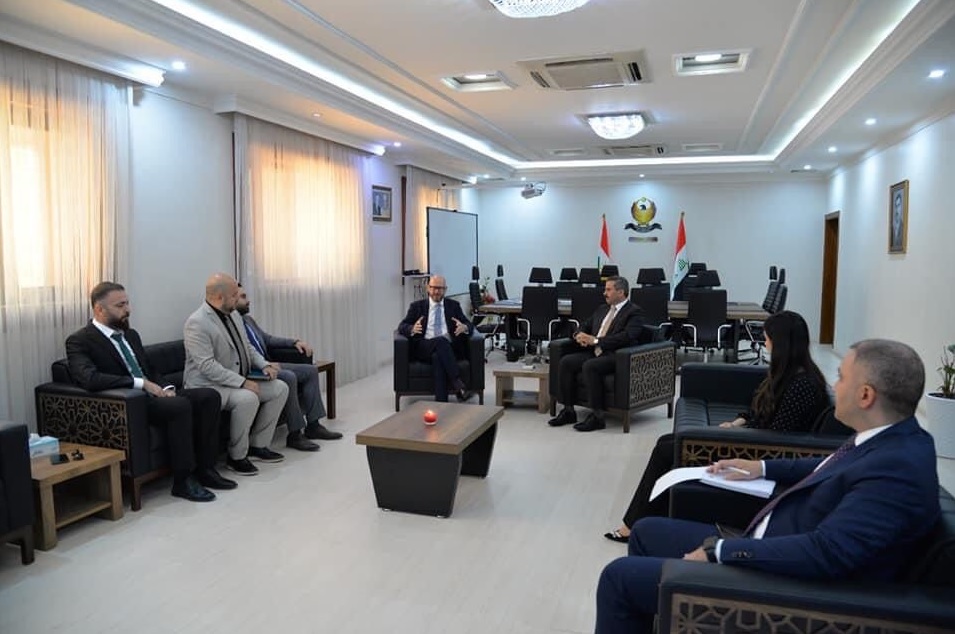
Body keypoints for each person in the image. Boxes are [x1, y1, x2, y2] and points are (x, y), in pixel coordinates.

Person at [594, 339, 940, 634]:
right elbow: (826, 467)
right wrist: (759, 466)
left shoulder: (897, 470)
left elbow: (827, 553)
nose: (835, 386)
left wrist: (720, 552)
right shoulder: (890, 439)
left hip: (784, 584)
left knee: (619, 578)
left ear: (865, 395)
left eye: (841, 377)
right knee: (646, 531)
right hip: (771, 543)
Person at [604, 310, 830, 542]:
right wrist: (736, 424)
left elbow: (778, 435)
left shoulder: (801, 385)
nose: (764, 343)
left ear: (781, 343)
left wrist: (737, 435)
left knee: (666, 449)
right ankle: (643, 520)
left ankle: (633, 525)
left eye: (767, 338)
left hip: (758, 453)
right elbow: (758, 411)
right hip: (752, 439)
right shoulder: (786, 373)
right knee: (666, 443)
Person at [65, 282, 236, 503]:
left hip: (155, 396)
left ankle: (206, 469)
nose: (128, 309)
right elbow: (89, 378)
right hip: (129, 404)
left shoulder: (130, 335)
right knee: (179, 406)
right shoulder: (80, 340)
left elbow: (150, 368)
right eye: (120, 305)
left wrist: (167, 388)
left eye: (127, 303)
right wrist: (141, 384)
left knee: (208, 396)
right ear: (99, 309)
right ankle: (183, 480)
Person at [183, 273, 289, 476]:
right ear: (219, 297)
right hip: (208, 386)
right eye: (234, 295)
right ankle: (237, 457)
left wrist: (265, 365)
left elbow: (247, 346)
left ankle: (258, 445)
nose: (237, 298)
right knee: (247, 398)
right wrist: (242, 382)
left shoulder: (233, 315)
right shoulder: (197, 323)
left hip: (235, 381)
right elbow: (207, 366)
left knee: (280, 388)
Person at [236, 285, 340, 448]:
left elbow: (268, 339)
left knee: (311, 371)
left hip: (269, 363)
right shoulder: (231, 324)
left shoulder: (247, 320)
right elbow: (241, 354)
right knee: (289, 376)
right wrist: (265, 365)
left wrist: (294, 342)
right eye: (243, 297)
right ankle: (295, 434)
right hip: (254, 370)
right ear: (232, 299)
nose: (248, 300)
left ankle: (313, 426)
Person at [546, 276, 644, 432]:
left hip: (617, 356)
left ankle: (597, 417)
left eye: (608, 290)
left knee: (590, 366)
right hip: (595, 352)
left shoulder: (634, 312)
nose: (604, 293)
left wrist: (596, 341)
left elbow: (627, 336)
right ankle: (568, 411)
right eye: (605, 289)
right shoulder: (602, 309)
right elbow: (585, 325)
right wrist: (579, 335)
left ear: (621, 292)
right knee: (566, 362)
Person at [397, 274, 474, 402]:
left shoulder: (453, 306)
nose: (436, 291)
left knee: (438, 356)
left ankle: (441, 403)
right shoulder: (417, 306)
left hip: (448, 349)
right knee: (441, 341)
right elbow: (402, 326)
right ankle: (457, 382)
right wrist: (411, 329)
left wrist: (464, 327)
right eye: (433, 287)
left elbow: (469, 324)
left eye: (440, 288)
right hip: (424, 346)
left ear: (445, 289)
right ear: (428, 288)